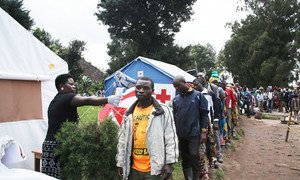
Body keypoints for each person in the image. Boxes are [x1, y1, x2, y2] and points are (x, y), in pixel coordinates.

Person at [41, 74, 121, 179]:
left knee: (51, 177)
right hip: (60, 145)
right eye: (71, 84)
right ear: (61, 86)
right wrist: (107, 100)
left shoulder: (56, 100)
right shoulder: (67, 97)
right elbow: (87, 100)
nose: (74, 86)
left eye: (74, 84)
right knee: (63, 175)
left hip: (50, 144)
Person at [116, 77, 178, 180]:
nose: (141, 91)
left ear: (152, 91)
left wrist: (169, 163)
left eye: (145, 88)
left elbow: (171, 138)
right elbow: (122, 140)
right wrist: (120, 162)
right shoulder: (128, 113)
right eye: (138, 87)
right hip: (133, 168)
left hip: (155, 168)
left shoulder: (163, 111)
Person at [173, 75, 209, 180]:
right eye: (174, 86)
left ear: (184, 83)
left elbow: (204, 114)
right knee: (185, 158)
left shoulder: (198, 96)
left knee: (194, 155)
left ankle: (196, 177)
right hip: (181, 134)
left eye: (178, 85)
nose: (176, 88)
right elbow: (175, 116)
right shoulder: (176, 99)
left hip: (194, 132)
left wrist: (203, 131)